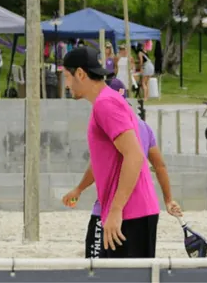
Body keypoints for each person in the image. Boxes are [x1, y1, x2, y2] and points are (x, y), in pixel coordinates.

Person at [63, 76, 182, 258]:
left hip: (111, 208)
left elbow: (98, 165)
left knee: (98, 269)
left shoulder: (106, 115)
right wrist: (168, 199)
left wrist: (79, 189)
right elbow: (160, 166)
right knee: (137, 271)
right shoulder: (143, 126)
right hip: (144, 210)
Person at [61, 46, 159, 258]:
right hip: (129, 211)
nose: (66, 84)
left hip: (130, 213)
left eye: (67, 76)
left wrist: (116, 210)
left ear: (80, 74)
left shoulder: (106, 104)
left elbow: (134, 155)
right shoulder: (107, 102)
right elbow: (104, 162)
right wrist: (79, 189)